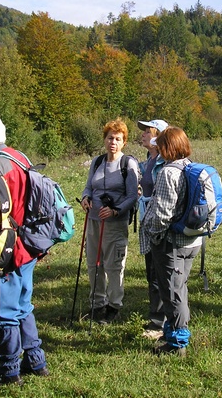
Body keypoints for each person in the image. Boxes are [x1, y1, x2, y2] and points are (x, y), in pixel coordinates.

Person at [0, 109, 48, 385]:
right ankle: (36, 361)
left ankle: (9, 369)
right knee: (23, 305)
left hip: (7, 248)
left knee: (4, 310)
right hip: (28, 243)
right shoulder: (18, 156)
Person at [141, 126, 202, 356]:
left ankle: (177, 345)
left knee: (172, 292)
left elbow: (163, 214)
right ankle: (173, 334)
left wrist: (153, 234)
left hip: (171, 244)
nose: (157, 147)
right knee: (180, 288)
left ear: (168, 147)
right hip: (191, 240)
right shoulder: (189, 166)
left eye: (161, 144)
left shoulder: (168, 172)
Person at [80, 118, 139, 324]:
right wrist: (86, 198)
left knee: (113, 265)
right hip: (94, 220)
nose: (113, 142)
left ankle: (114, 306)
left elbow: (132, 195)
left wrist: (115, 210)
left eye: (118, 139)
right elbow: (89, 186)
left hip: (115, 223)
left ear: (124, 142)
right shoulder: (97, 162)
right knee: (93, 264)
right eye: (109, 138)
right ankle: (97, 304)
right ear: (104, 140)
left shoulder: (127, 164)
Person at [137, 119, 168, 339]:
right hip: (148, 222)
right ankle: (158, 317)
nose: (143, 135)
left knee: (160, 273)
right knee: (152, 272)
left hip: (160, 224)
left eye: (147, 132)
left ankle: (159, 323)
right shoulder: (150, 159)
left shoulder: (166, 162)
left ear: (158, 137)